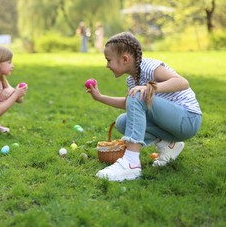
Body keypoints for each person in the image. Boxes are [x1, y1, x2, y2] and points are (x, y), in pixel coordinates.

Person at [86, 32, 202, 181]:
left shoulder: (149, 67)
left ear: (125, 59)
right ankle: (169, 145)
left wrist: (150, 88)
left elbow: (182, 82)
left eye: (109, 60)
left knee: (137, 95)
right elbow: (131, 104)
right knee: (123, 122)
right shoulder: (131, 80)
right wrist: (100, 98)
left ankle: (131, 163)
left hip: (188, 119)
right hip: (171, 126)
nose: (107, 65)